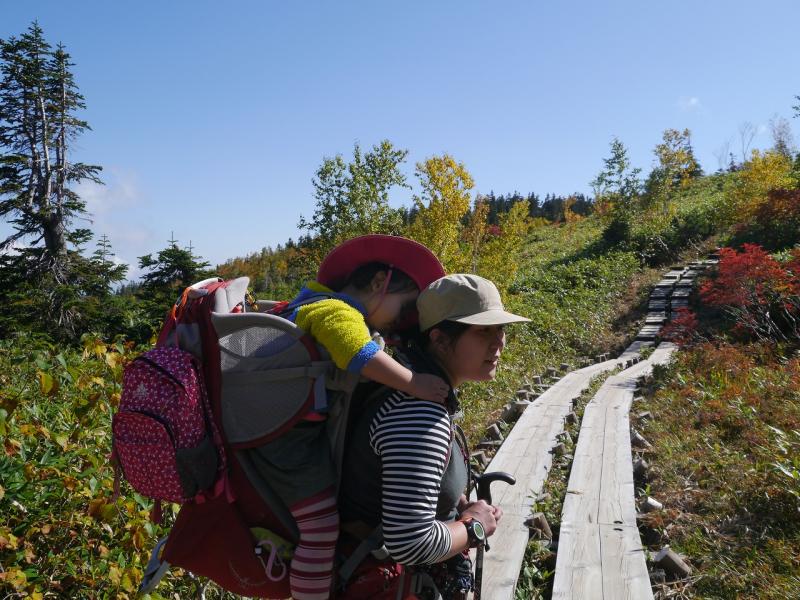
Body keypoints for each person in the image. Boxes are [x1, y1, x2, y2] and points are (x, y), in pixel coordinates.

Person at [247, 235, 448, 600]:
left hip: (275, 428)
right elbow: (359, 354)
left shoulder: (307, 303)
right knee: (320, 527)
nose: (399, 321)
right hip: (289, 444)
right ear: (379, 283)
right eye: (403, 307)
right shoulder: (336, 311)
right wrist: (414, 383)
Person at [337, 273, 530, 599]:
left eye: (501, 329)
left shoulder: (418, 389)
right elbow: (410, 543)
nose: (499, 341)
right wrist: (474, 527)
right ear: (440, 339)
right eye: (483, 330)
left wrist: (459, 505)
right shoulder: (419, 413)